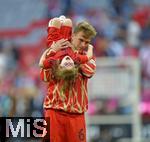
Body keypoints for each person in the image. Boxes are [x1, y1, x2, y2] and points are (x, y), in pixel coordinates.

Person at [39, 17, 97, 142]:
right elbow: (45, 77)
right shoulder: (56, 52)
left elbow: (90, 71)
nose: (83, 45)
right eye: (81, 40)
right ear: (73, 35)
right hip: (54, 111)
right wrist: (53, 51)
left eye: (87, 42)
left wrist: (72, 53)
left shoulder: (87, 57)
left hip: (76, 116)